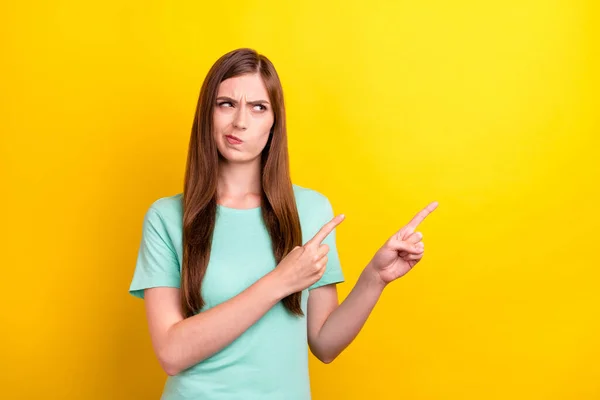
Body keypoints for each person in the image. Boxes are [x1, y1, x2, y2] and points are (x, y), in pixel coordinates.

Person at [129, 47, 438, 400]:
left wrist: (375, 278)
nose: (240, 122)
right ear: (207, 114)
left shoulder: (310, 210)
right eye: (226, 104)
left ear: (274, 121)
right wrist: (280, 281)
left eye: (258, 107)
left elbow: (324, 344)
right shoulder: (167, 218)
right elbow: (171, 353)